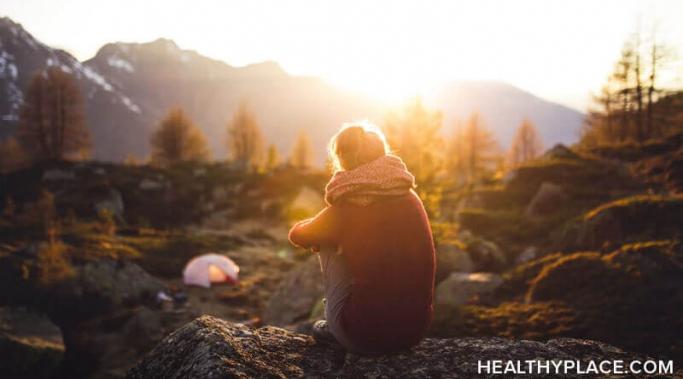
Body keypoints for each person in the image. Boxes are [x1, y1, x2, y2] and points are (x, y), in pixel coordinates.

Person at [288, 122, 436, 355]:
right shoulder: (408, 194)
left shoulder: (349, 203)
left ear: (343, 159)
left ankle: (335, 320)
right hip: (414, 333)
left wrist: (328, 231)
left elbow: (298, 235)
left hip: (364, 338)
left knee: (325, 241)